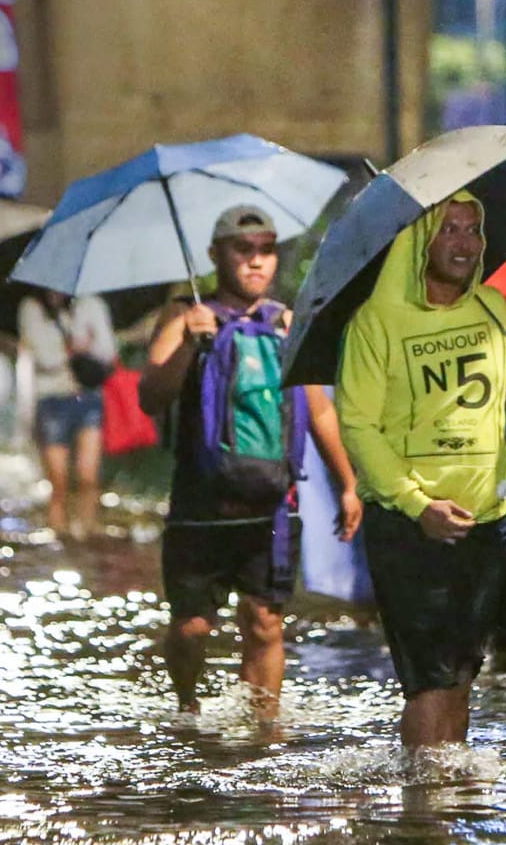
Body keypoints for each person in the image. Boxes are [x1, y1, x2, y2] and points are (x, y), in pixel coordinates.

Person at [336, 192, 506, 751]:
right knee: (429, 682)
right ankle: (422, 820)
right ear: (420, 240)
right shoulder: (376, 322)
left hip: (486, 520)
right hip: (412, 528)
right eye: (448, 229)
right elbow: (357, 426)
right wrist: (416, 504)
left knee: (461, 675)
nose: (464, 242)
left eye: (473, 230)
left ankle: (444, 808)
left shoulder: (492, 308)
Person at [141, 204, 362, 720]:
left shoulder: (287, 322)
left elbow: (319, 409)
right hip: (200, 501)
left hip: (272, 501)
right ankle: (187, 706)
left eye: (266, 250)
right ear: (216, 255)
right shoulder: (182, 315)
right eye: (244, 250)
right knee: (192, 627)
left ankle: (262, 727)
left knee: (266, 622)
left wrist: (348, 483)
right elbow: (150, 396)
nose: (257, 261)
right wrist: (187, 347)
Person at [19, 288, 118, 538]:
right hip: (51, 398)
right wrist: (71, 349)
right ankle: (58, 530)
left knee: (88, 475)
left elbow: (108, 351)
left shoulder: (91, 305)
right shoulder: (32, 309)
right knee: (58, 480)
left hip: (88, 395)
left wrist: (84, 349)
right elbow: (42, 355)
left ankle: (86, 530)